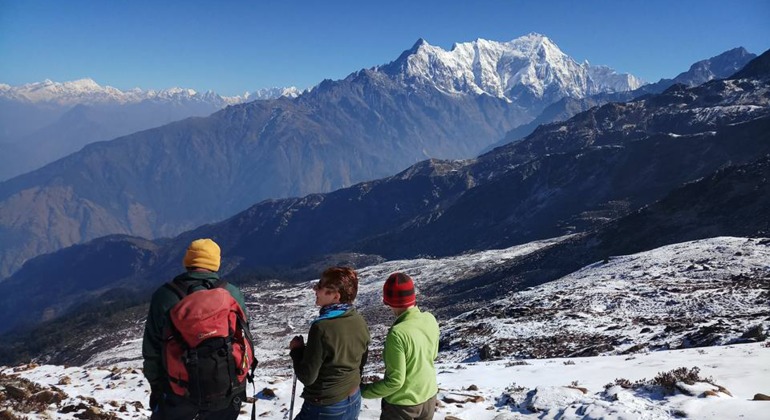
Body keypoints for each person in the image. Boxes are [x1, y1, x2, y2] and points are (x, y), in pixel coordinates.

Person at [142, 238, 251, 420]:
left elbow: (152, 350)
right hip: (227, 390)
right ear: (215, 263)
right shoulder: (232, 293)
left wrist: (157, 387)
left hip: (179, 391)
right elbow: (244, 338)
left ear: (188, 261)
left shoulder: (165, 296)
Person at [289, 266, 371, 419]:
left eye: (320, 286)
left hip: (325, 405)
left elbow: (307, 377)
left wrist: (296, 351)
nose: (315, 289)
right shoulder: (358, 320)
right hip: (352, 398)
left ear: (336, 296)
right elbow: (361, 361)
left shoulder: (321, 327)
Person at [361, 272, 440, 420]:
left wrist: (362, 391)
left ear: (389, 302)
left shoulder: (397, 334)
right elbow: (432, 355)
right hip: (429, 397)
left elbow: (395, 382)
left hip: (402, 405)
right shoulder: (430, 319)